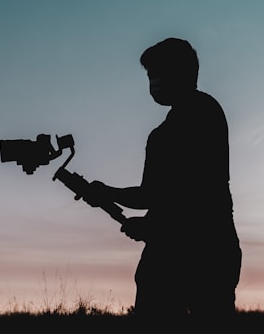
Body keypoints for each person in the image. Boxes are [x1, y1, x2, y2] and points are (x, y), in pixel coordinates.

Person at [84, 37, 241, 318]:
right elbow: (162, 194)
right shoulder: (202, 113)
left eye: (155, 73)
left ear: (178, 73)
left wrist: (113, 196)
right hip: (206, 247)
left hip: (189, 253)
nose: (152, 82)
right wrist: (126, 207)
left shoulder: (186, 120)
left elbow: (175, 194)